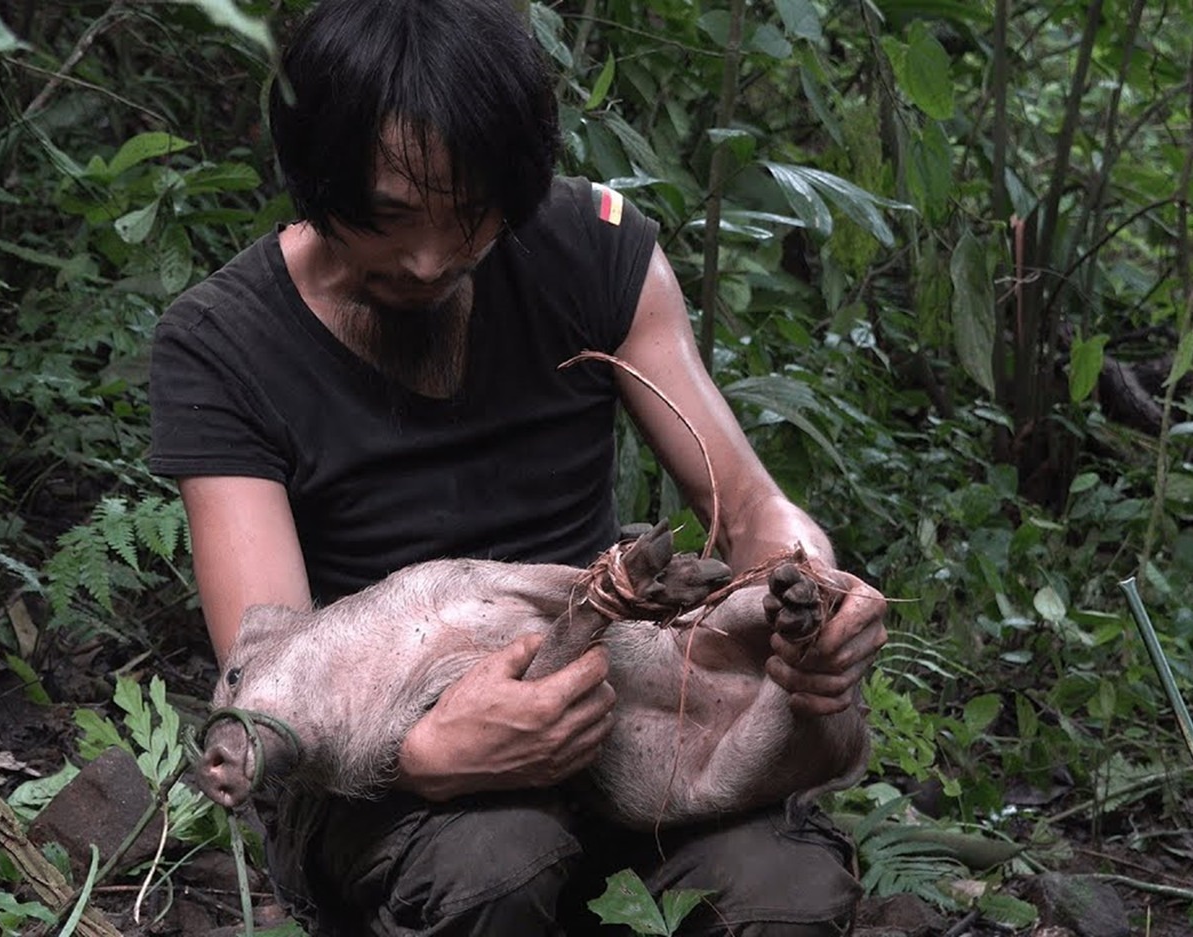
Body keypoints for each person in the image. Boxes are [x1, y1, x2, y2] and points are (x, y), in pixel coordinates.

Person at [148, 0, 889, 933]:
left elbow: (745, 503)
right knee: (496, 866)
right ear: (314, 173)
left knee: (785, 895)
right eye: (387, 219)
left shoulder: (590, 249)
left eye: (470, 220)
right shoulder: (224, 344)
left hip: (620, 724)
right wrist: (427, 753)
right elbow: (273, 659)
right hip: (390, 772)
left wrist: (816, 594)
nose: (427, 260)